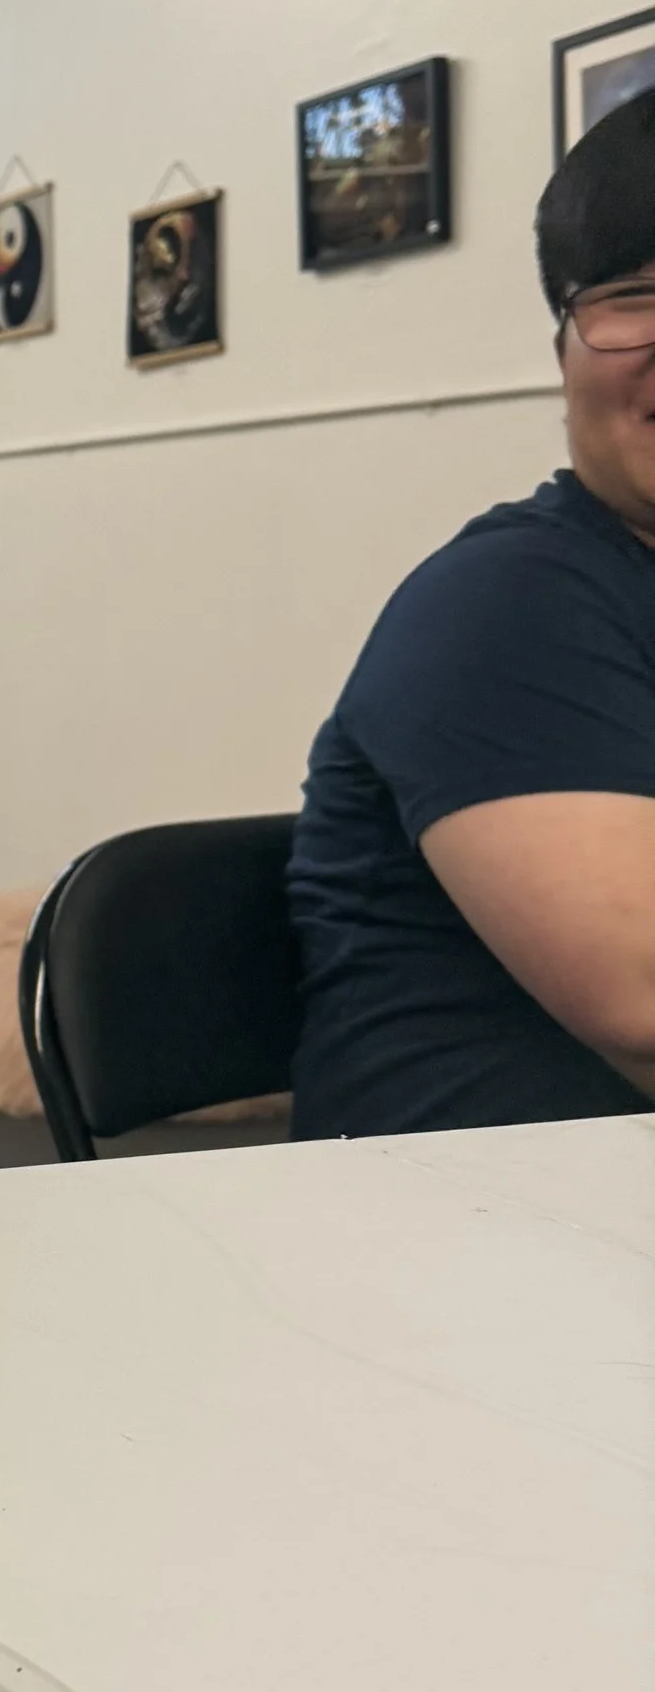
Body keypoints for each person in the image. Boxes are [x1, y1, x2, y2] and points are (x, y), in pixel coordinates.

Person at [288, 90, 655, 1135]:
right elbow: (641, 1000)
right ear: (562, 358)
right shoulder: (508, 601)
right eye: (632, 295)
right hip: (454, 1237)